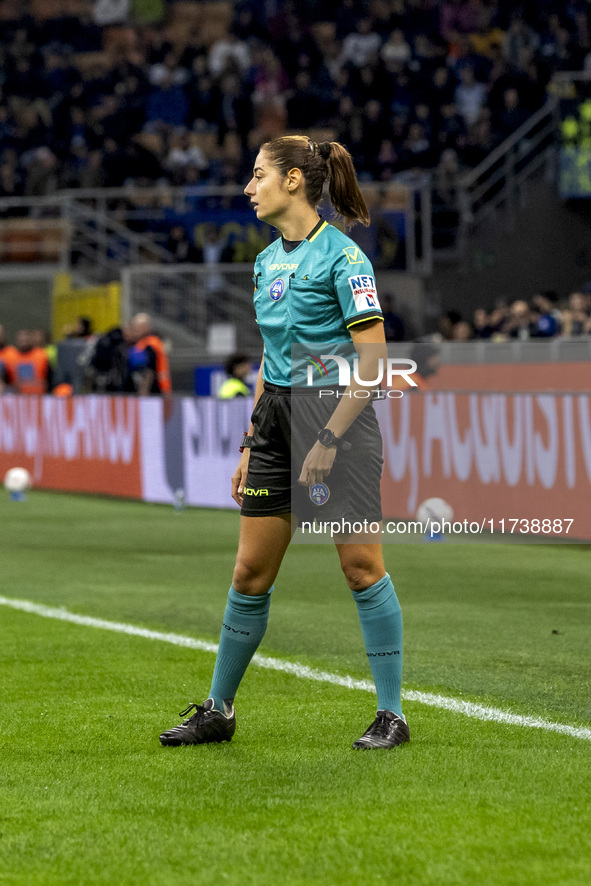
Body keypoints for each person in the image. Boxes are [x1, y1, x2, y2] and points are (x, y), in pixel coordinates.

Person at [160, 136, 409, 751]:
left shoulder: (346, 260)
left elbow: (374, 366)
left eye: (257, 175)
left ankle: (392, 715)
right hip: (275, 420)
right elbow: (273, 366)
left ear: (294, 180)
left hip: (338, 422)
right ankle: (218, 709)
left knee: (360, 567)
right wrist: (250, 440)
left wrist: (326, 438)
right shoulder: (266, 261)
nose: (249, 187)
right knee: (249, 572)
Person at [127, 313, 172, 396]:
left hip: (154, 391)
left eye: (137, 327)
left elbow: (148, 372)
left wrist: (143, 394)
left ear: (146, 327)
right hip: (159, 389)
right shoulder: (145, 342)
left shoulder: (149, 345)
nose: (135, 330)